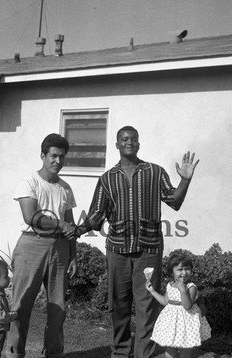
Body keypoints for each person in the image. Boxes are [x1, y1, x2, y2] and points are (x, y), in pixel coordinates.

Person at [73, 125, 199, 358]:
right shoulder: (107, 179)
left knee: (147, 306)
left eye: (133, 139)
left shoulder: (154, 172)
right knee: (119, 305)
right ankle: (120, 352)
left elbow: (174, 201)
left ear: (138, 144)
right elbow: (96, 216)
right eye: (124, 139)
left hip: (148, 251)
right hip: (118, 252)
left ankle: (144, 354)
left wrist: (185, 181)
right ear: (117, 145)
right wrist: (77, 230)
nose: (129, 142)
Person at [4, 133, 77, 358]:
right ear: (43, 156)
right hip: (32, 246)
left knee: (58, 307)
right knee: (21, 304)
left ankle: (54, 353)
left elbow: (71, 225)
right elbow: (31, 217)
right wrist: (60, 224)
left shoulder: (65, 188)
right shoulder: (30, 181)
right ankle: (14, 352)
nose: (58, 161)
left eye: (62, 157)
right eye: (53, 156)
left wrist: (73, 255)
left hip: (60, 248)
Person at [145, 253, 211, 358]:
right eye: (180, 269)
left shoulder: (191, 287)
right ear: (172, 272)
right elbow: (165, 301)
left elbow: (187, 306)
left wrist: (183, 290)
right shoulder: (170, 285)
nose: (184, 273)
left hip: (187, 321)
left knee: (186, 347)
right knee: (170, 347)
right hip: (171, 321)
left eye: (187, 269)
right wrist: (152, 291)